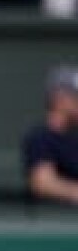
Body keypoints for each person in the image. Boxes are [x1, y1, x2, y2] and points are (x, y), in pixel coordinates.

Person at [22, 65, 78, 205]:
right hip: (57, 220)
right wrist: (73, 191)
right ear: (58, 97)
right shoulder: (41, 138)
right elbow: (42, 183)